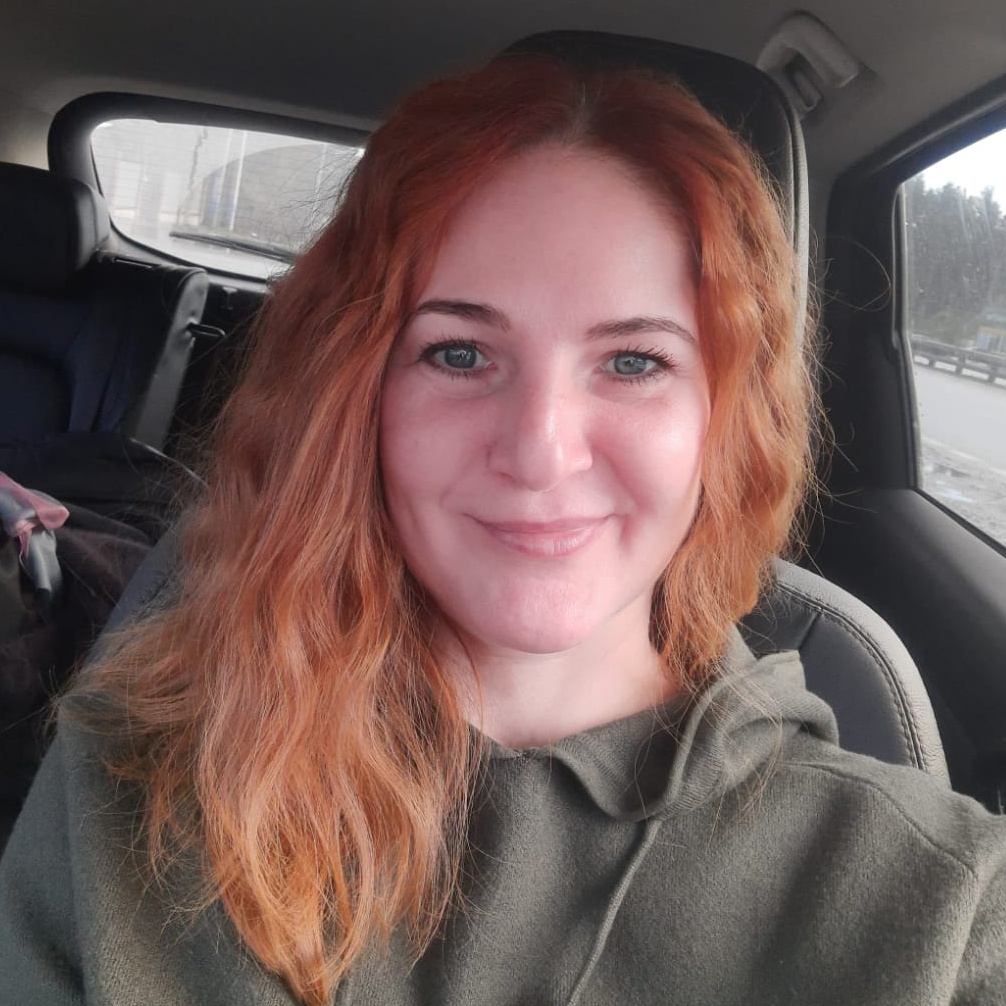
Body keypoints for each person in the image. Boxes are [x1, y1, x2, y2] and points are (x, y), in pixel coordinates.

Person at [1, 52, 1004, 1006]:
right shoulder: (133, 779)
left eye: (633, 362)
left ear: (725, 422)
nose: (539, 451)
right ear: (357, 397)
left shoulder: (938, 904)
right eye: (459, 353)